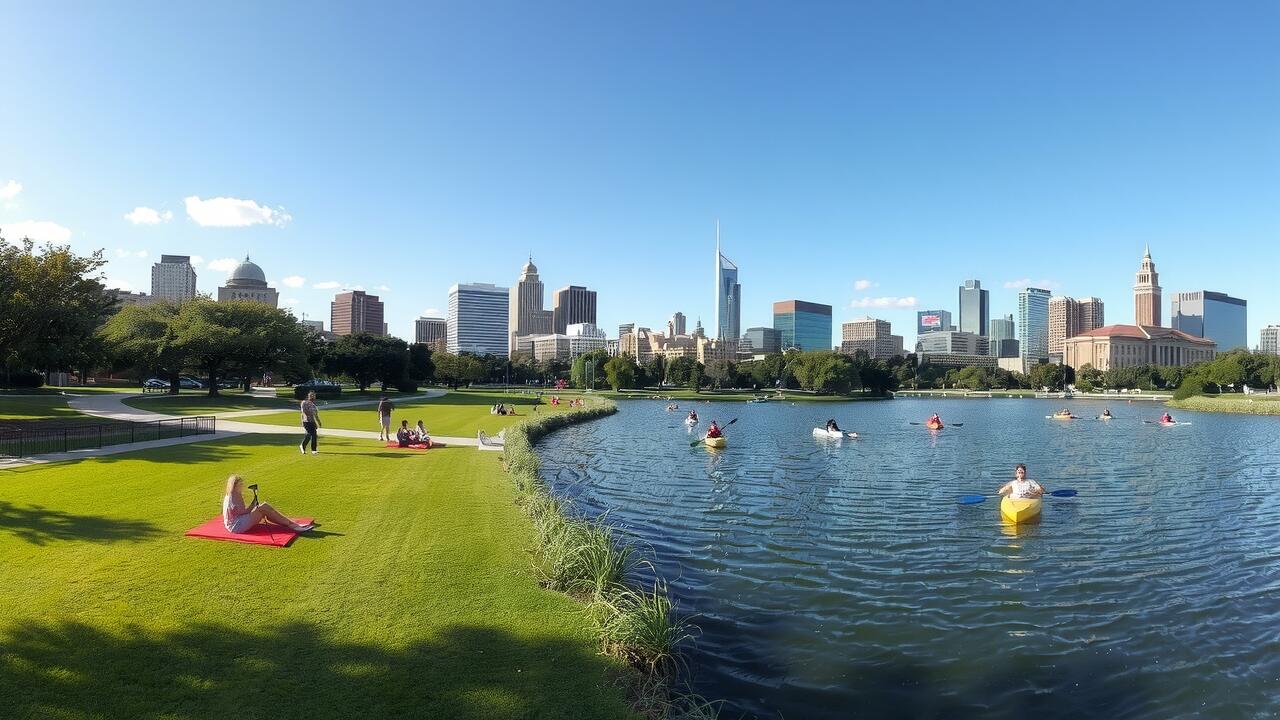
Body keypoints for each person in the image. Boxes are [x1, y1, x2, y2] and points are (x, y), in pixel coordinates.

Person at [223, 474, 314, 534]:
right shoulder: (234, 496)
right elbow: (243, 512)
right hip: (236, 526)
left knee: (264, 506)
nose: (242, 486)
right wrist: (253, 504)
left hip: (238, 521)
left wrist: (254, 505)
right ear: (235, 486)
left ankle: (291, 524)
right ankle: (292, 525)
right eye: (240, 484)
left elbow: (241, 512)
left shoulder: (235, 494)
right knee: (263, 507)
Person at [299, 391, 320, 455]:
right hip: (306, 421)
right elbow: (304, 412)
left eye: (314, 396)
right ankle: (313, 450)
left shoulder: (313, 405)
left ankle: (302, 446)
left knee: (309, 435)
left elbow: (315, 415)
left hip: (312, 422)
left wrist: (318, 421)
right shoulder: (304, 402)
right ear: (308, 396)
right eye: (311, 396)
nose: (313, 397)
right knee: (313, 434)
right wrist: (302, 420)